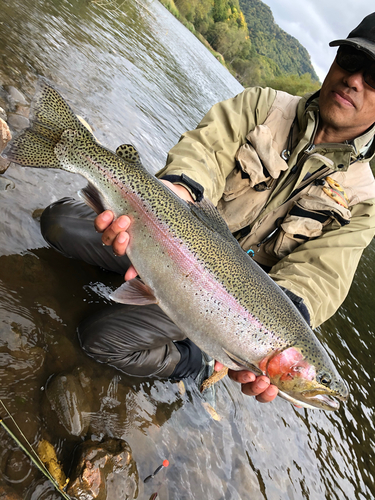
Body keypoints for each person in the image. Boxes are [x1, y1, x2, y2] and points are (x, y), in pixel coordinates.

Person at [41, 13, 375, 404]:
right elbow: (204, 152)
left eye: (374, 79)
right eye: (351, 61)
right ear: (335, 62)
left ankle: (194, 359)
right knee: (58, 221)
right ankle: (69, 152)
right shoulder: (264, 106)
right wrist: (177, 189)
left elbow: (321, 277)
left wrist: (266, 329)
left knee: (98, 338)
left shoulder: (364, 199)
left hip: (217, 309)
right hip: (167, 232)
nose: (354, 80)